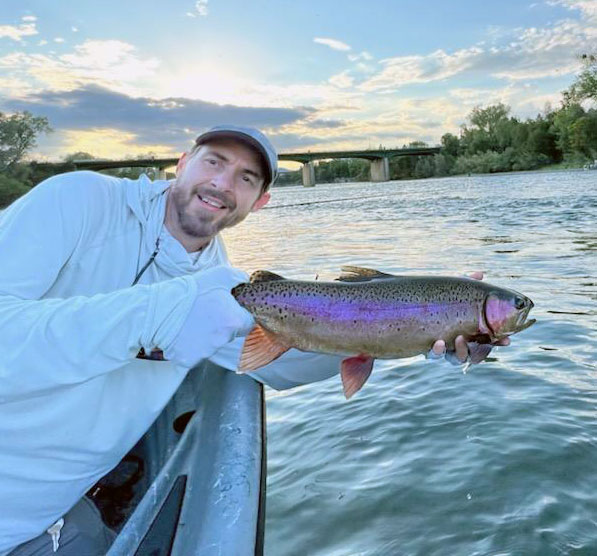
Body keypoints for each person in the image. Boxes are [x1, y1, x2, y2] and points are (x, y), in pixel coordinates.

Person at [0, 125, 507, 555]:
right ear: (181, 163)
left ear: (260, 202)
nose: (223, 183)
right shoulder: (79, 200)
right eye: (214, 162)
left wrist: (413, 333)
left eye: (246, 177)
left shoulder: (223, 284)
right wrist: (159, 313)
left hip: (45, 514)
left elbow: (275, 367)